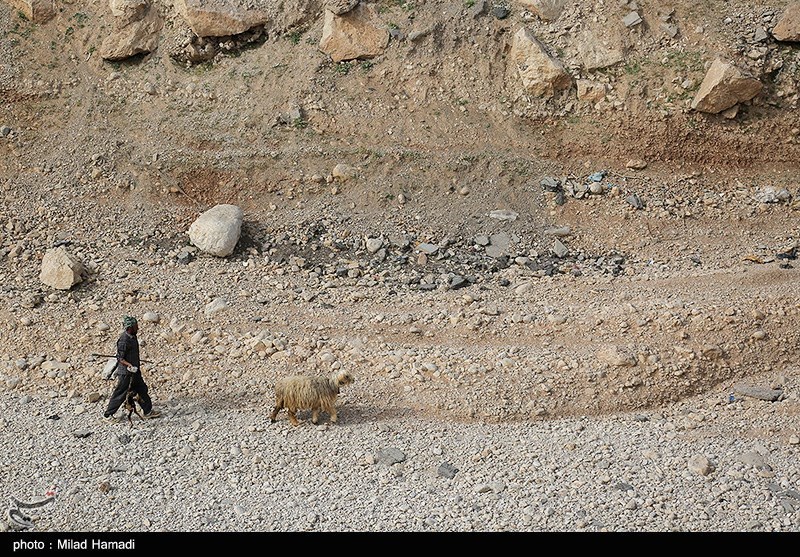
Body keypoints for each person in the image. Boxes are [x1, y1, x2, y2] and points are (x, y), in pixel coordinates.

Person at [103, 315, 161, 421]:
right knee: (120, 393)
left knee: (142, 390)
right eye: (135, 326)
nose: (138, 328)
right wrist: (129, 365)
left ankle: (147, 411)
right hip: (126, 373)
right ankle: (108, 415)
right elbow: (120, 358)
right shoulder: (124, 340)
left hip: (135, 371)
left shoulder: (133, 336)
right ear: (130, 327)